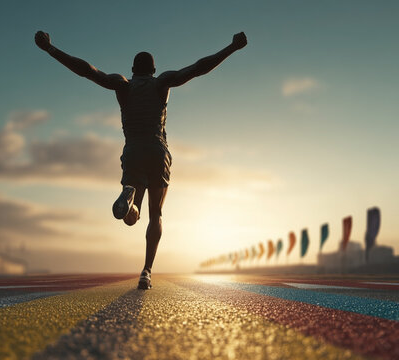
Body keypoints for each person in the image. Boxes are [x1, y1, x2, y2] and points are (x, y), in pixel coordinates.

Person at [35, 30, 247, 289]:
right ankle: (146, 271)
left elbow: (87, 71)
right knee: (156, 214)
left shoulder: (122, 85)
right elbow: (197, 68)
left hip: (133, 151)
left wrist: (51, 49)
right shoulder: (162, 83)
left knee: (130, 218)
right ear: (154, 70)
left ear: (133, 70)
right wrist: (231, 48)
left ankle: (130, 195)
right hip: (157, 151)